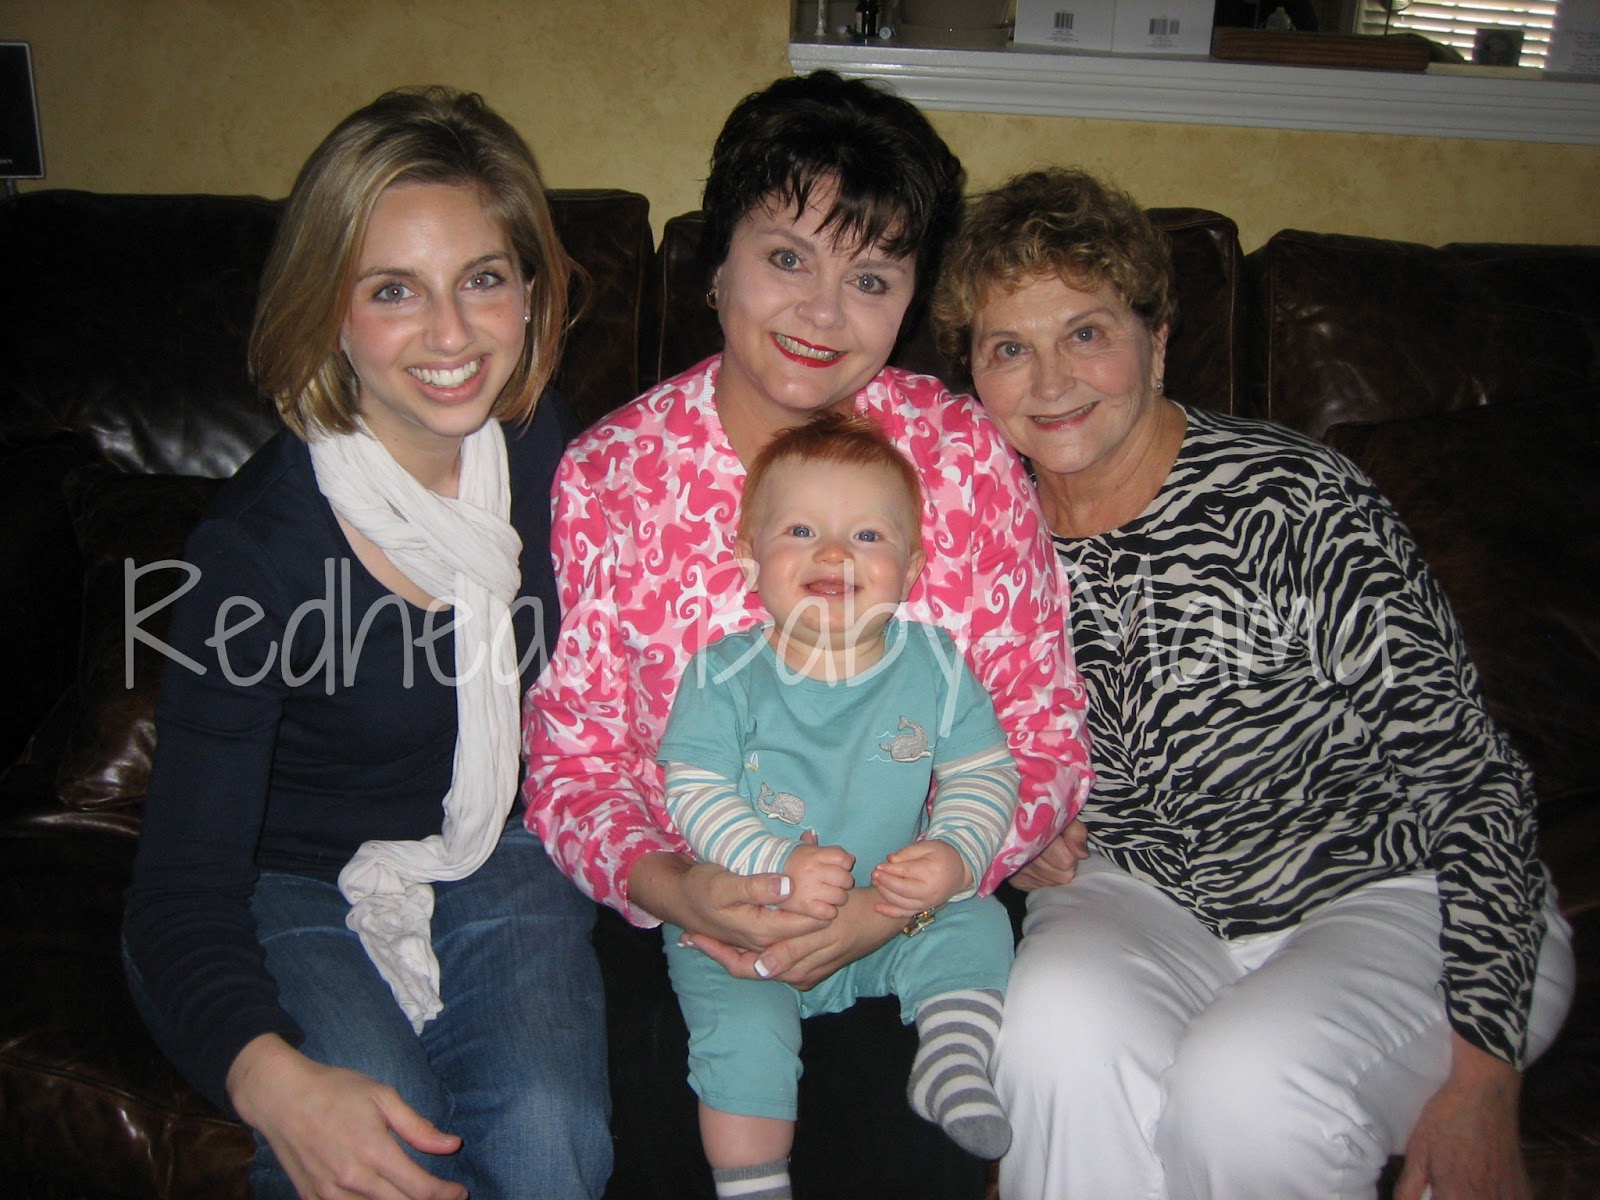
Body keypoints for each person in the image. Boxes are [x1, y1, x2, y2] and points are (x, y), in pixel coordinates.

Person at [930, 165, 1577, 1200]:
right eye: (1009, 347)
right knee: (1048, 1036)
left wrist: (1484, 1080)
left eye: (1086, 332)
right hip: (1140, 897)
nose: (1049, 381)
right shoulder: (976, 538)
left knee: (1247, 1090)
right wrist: (1008, 822)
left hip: (1393, 891)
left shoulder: (1294, 501)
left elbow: (1471, 781)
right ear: (973, 372)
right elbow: (913, 730)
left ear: (1157, 339)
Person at [523, 71, 1092, 1196]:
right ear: (716, 264)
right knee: (663, 1142)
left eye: (869, 278)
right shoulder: (612, 475)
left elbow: (1040, 736)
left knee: (908, 1151)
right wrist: (676, 889)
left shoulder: (961, 457)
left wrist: (889, 904)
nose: (824, 315)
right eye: (788, 258)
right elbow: (575, 764)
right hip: (694, 914)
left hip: (915, 908)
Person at [121, 86, 611, 1200]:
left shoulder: (543, 449)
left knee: (551, 1141)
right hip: (294, 882)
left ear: (529, 295)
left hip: (501, 844)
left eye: (482, 279)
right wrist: (270, 1080)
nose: (451, 334)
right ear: (327, 310)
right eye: (394, 290)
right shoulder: (254, 553)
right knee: (380, 1144)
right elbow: (177, 892)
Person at [659, 412, 1025, 1197]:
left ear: (912, 566)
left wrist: (955, 852)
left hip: (892, 921)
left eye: (867, 535)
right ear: (748, 555)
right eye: (800, 530)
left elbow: (985, 772)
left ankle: (953, 1057)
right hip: (753, 928)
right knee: (741, 1034)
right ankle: (753, 1181)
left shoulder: (937, 664)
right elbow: (695, 790)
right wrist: (775, 866)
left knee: (976, 921)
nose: (833, 553)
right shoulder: (723, 674)